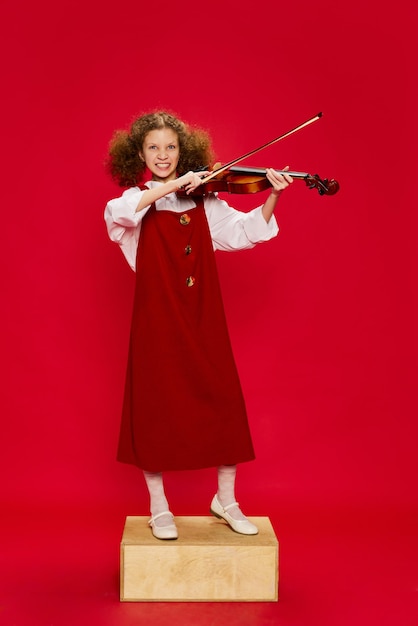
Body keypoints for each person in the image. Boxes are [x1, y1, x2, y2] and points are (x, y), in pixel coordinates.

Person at [104, 111, 293, 540]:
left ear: (182, 150)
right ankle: (159, 507)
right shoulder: (129, 204)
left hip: (202, 312)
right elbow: (122, 211)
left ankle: (225, 501)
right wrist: (173, 185)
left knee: (222, 400)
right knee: (155, 407)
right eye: (154, 147)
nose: (163, 155)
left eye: (171, 147)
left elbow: (245, 232)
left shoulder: (205, 200)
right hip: (157, 319)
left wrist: (273, 196)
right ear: (139, 153)